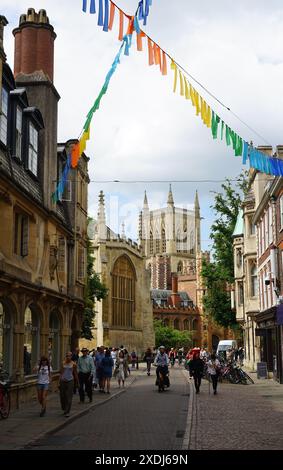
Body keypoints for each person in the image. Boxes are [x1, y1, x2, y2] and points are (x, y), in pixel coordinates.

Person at [59, 352, 78, 417]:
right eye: (67, 356)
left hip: (70, 381)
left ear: (71, 357)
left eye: (69, 356)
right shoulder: (63, 363)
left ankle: (67, 411)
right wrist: (60, 380)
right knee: (62, 396)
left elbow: (75, 373)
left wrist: (77, 382)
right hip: (63, 380)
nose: (68, 357)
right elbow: (61, 372)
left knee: (68, 396)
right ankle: (64, 408)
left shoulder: (73, 364)